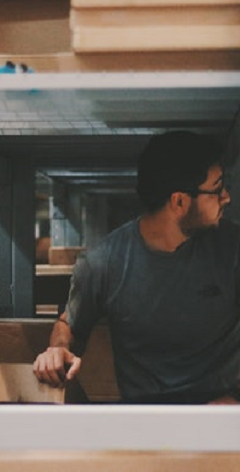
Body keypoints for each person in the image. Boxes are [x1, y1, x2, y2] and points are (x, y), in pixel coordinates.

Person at [33, 130, 240, 404]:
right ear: (179, 201)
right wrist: (57, 350)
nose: (225, 197)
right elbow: (69, 324)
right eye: (216, 189)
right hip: (145, 418)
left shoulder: (232, 248)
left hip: (224, 415)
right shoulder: (104, 263)